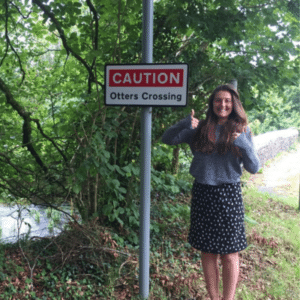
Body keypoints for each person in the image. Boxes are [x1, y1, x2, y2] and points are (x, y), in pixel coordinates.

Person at [161, 84, 260, 300]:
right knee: (208, 252)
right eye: (218, 100)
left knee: (230, 253)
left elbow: (254, 167)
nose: (222, 104)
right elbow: (166, 138)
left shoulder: (241, 130)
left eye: (227, 100)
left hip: (229, 195)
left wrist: (243, 143)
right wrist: (184, 123)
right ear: (211, 103)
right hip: (203, 195)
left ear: (233, 104)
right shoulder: (199, 128)